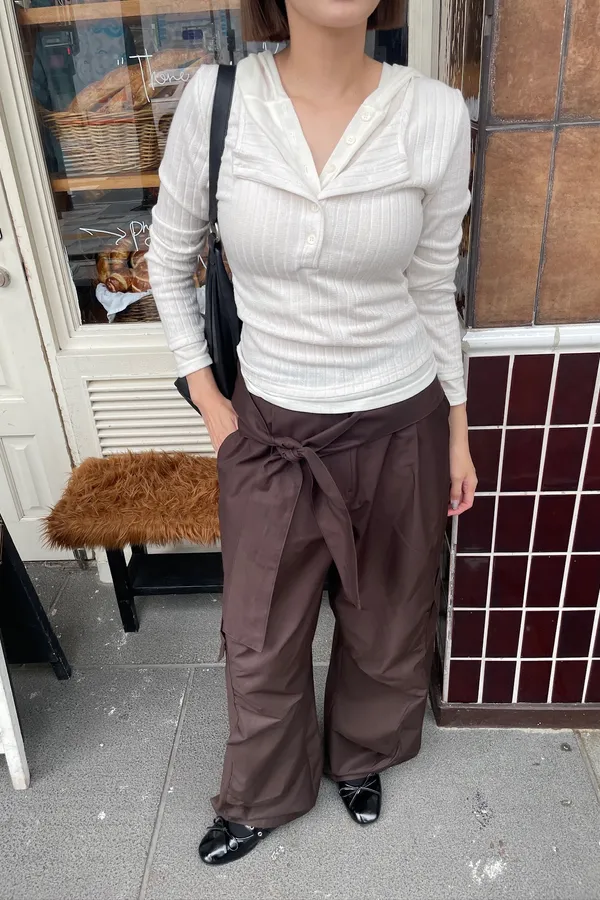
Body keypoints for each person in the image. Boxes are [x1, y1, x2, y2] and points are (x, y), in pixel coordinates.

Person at [147, 0, 477, 866]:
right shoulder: (218, 102)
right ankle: (263, 794)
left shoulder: (435, 114)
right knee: (260, 635)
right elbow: (168, 260)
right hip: (271, 432)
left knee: (389, 621)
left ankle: (362, 756)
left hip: (401, 420)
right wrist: (212, 406)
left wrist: (456, 428)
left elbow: (432, 284)